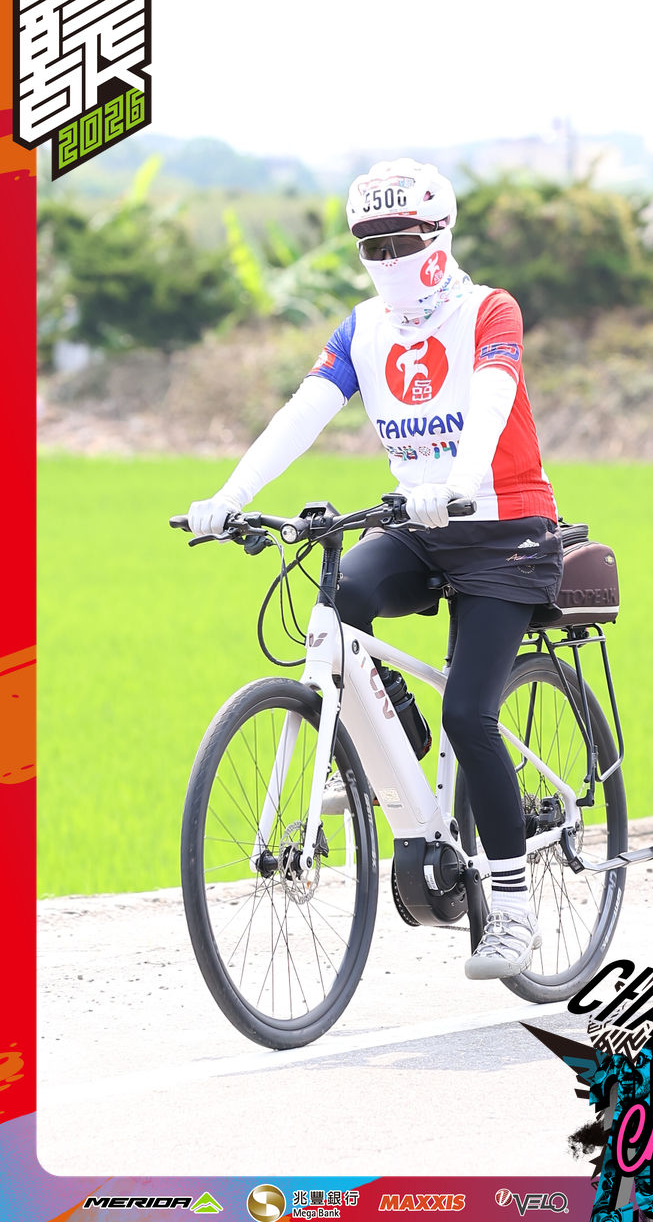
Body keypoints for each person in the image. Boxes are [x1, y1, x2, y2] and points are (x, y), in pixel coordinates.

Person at [187, 159, 563, 980]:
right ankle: (393, 738)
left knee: (471, 712)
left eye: (402, 240)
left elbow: (493, 395)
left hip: (504, 530)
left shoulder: (487, 310)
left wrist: (461, 480)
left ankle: (510, 910)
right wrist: (230, 495)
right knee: (342, 596)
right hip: (420, 528)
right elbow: (304, 411)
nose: (388, 256)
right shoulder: (363, 327)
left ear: (440, 235)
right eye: (372, 243)